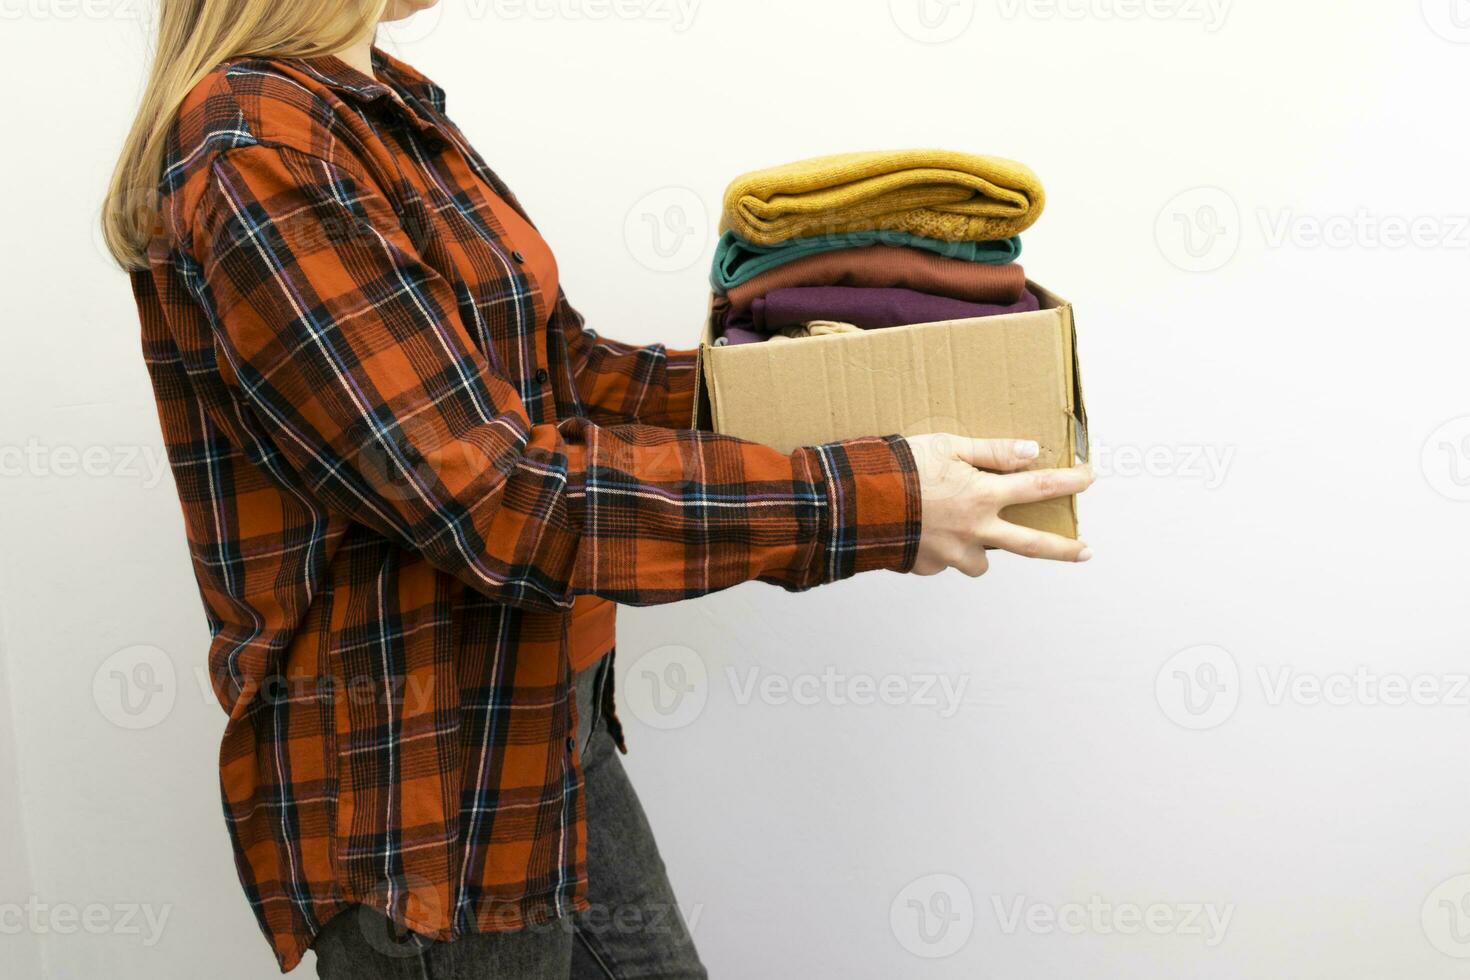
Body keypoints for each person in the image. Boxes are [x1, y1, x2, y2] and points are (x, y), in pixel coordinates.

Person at [101, 1, 1094, 976]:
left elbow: (558, 375)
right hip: (425, 802)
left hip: (544, 729)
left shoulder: (380, 106)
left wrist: (804, 383)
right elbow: (496, 497)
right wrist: (875, 499)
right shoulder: (257, 150)